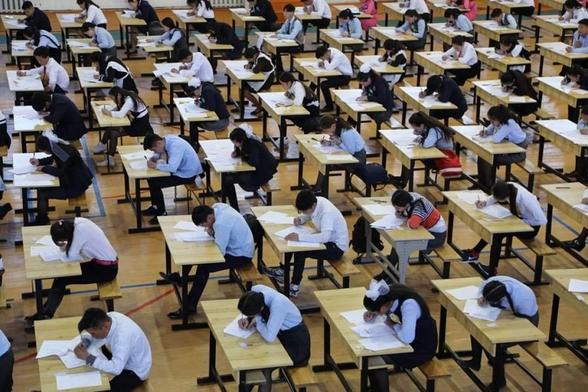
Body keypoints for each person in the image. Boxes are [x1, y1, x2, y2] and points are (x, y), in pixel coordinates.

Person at [162, 204, 255, 318]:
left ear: (210, 218)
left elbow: (219, 253)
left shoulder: (221, 224)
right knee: (198, 253)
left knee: (203, 267)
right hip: (233, 246)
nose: (203, 227)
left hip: (240, 255)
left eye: (203, 224)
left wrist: (212, 232)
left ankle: (190, 306)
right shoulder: (217, 207)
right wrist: (211, 229)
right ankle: (181, 277)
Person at [26, 218, 117, 321]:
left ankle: (45, 315)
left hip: (106, 270)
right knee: (61, 279)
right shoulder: (78, 222)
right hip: (102, 263)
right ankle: (44, 313)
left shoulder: (80, 232)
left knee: (61, 279)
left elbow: (70, 256)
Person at [458, 276, 538, 390]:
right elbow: (482, 285)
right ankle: (476, 361)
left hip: (527, 321)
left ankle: (499, 382)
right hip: (506, 314)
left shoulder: (523, 299)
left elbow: (524, 325)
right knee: (477, 327)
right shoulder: (495, 282)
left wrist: (501, 328)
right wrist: (481, 297)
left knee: (498, 345)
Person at [264, 190, 349, 297]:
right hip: (326, 240)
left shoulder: (327, 213)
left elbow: (324, 237)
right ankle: (283, 270)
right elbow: (309, 215)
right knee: (292, 242)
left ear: (313, 205)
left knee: (301, 250)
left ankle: (295, 286)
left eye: (304, 211)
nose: (303, 212)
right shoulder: (317, 202)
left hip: (335, 247)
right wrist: (301, 219)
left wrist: (299, 237)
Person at [363, 278, 437, 392]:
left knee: (374, 359)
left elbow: (407, 338)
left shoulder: (409, 305)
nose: (377, 313)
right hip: (408, 341)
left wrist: (394, 326)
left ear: (384, 305)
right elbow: (387, 311)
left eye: (377, 311)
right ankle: (376, 388)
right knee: (369, 356)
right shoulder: (389, 294)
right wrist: (373, 313)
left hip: (419, 347)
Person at [462, 181, 547, 275]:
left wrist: (521, 222)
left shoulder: (526, 200)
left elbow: (542, 220)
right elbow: (494, 197)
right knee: (495, 228)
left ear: (505, 197)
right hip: (520, 220)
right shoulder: (508, 186)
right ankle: (475, 252)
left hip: (531, 228)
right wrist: (485, 202)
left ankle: (492, 269)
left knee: (498, 233)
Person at [237, 285, 311, 389]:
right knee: (249, 365)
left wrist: (257, 320)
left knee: (264, 367)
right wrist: (248, 319)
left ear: (260, 308)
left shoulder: (278, 305)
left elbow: (269, 336)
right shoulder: (256, 290)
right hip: (280, 335)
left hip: (295, 343)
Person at [74, 308, 152, 392]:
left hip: (135, 370)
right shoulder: (109, 317)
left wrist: (88, 358)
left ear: (105, 326)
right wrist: (86, 341)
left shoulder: (122, 338)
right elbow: (91, 332)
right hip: (121, 354)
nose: (92, 336)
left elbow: (116, 369)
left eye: (93, 333)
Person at [28, 135, 93, 225]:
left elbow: (60, 172)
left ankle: (42, 220)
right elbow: (54, 158)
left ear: (46, 149)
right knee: (42, 190)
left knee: (43, 193)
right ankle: (42, 217)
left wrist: (44, 168)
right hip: (74, 179)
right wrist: (39, 161)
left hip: (75, 185)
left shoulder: (63, 152)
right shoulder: (58, 146)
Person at [142, 134, 204, 223]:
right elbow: (159, 152)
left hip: (188, 174)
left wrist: (155, 165)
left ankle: (161, 212)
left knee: (155, 183)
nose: (154, 151)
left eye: (153, 149)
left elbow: (172, 168)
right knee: (151, 179)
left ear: (159, 143)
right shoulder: (166, 140)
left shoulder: (175, 147)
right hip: (181, 170)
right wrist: (154, 157)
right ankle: (155, 206)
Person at [93, 87, 154, 167]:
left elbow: (121, 114)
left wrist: (108, 113)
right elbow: (120, 108)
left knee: (113, 132)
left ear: (118, 95)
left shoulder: (129, 100)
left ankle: (104, 149)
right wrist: (112, 111)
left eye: (113, 98)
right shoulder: (126, 96)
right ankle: (106, 151)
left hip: (140, 127)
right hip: (135, 123)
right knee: (112, 130)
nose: (114, 101)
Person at [223, 128, 277, 211]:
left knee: (227, 180)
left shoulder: (252, 145)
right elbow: (244, 153)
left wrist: (243, 156)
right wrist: (237, 153)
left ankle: (235, 208)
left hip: (262, 174)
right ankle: (232, 203)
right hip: (255, 170)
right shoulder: (245, 142)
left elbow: (254, 162)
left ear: (239, 140)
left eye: (234, 142)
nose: (234, 144)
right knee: (226, 176)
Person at [388, 190, 446, 266]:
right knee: (399, 242)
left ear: (406, 204)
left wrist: (405, 218)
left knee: (403, 244)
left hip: (436, 237)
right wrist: (402, 213)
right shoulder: (411, 197)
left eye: (398, 207)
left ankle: (397, 270)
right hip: (427, 230)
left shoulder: (419, 208)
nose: (396, 210)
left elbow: (413, 225)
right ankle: (391, 268)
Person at [476, 105, 528, 191]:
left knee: (491, 158)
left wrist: (493, 131)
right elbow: (490, 129)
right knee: (483, 155)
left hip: (519, 150)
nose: (491, 123)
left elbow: (496, 139)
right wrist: (485, 131)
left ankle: (487, 186)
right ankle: (481, 183)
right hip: (508, 146)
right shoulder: (499, 121)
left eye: (492, 121)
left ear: (498, 118)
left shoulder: (509, 123)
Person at [402, 111, 461, 179]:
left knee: (410, 156)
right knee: (407, 155)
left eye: (415, 128)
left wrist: (421, 137)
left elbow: (426, 145)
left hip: (443, 156)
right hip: (437, 152)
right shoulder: (429, 124)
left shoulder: (434, 129)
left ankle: (404, 180)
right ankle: (403, 178)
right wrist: (419, 132)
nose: (414, 130)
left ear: (421, 125)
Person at [314, 115, 367, 191]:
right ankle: (319, 188)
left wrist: (338, 143)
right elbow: (341, 144)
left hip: (357, 159)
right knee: (324, 164)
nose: (327, 133)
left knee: (326, 165)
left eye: (327, 130)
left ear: (332, 126)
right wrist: (329, 143)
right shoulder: (337, 128)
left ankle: (319, 189)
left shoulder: (346, 133)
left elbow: (350, 152)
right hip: (348, 156)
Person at [313, 45, 353, 112]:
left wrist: (325, 60)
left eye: (322, 58)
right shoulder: (329, 51)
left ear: (325, 54)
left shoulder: (337, 56)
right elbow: (330, 66)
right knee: (316, 76)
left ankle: (329, 106)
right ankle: (310, 97)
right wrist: (324, 62)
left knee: (324, 85)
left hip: (345, 77)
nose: (322, 59)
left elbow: (329, 68)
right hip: (337, 73)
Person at [357, 64, 395, 129]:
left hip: (385, 110)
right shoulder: (369, 81)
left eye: (364, 82)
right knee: (356, 111)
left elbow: (382, 99)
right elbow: (368, 90)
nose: (363, 84)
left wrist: (367, 97)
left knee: (377, 117)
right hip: (374, 106)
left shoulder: (379, 82)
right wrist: (365, 93)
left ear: (369, 77)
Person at [270, 4, 304, 73]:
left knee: (277, 49)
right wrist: (277, 32)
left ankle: (280, 71)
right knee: (273, 48)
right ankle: (276, 68)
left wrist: (279, 36)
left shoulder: (297, 22)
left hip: (297, 45)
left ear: (291, 12)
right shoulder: (288, 20)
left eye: (286, 12)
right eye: (284, 11)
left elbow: (292, 36)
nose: (284, 13)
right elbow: (282, 30)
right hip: (289, 43)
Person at [243, 47, 276, 116]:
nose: (249, 60)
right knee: (242, 85)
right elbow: (252, 63)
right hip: (261, 76)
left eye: (249, 58)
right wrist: (250, 64)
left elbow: (256, 70)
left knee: (245, 91)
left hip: (267, 79)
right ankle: (241, 106)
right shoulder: (257, 55)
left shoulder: (262, 59)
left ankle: (259, 107)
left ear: (254, 55)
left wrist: (249, 66)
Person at [566, 105, 588, 183]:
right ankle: (579, 171)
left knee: (585, 155)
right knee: (578, 151)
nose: (584, 119)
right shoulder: (583, 120)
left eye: (586, 118)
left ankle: (584, 174)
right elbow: (579, 126)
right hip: (583, 141)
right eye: (583, 117)